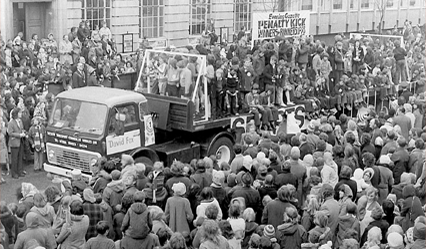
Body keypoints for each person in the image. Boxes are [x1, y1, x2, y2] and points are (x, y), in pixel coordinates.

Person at [7, 107, 26, 179]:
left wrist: (23, 132)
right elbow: (10, 133)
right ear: (16, 114)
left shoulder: (20, 121)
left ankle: (20, 171)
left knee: (20, 157)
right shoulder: (11, 122)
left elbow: (21, 129)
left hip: (20, 141)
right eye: (20, 113)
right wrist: (19, 135)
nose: (21, 114)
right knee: (14, 158)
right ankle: (14, 173)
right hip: (14, 142)